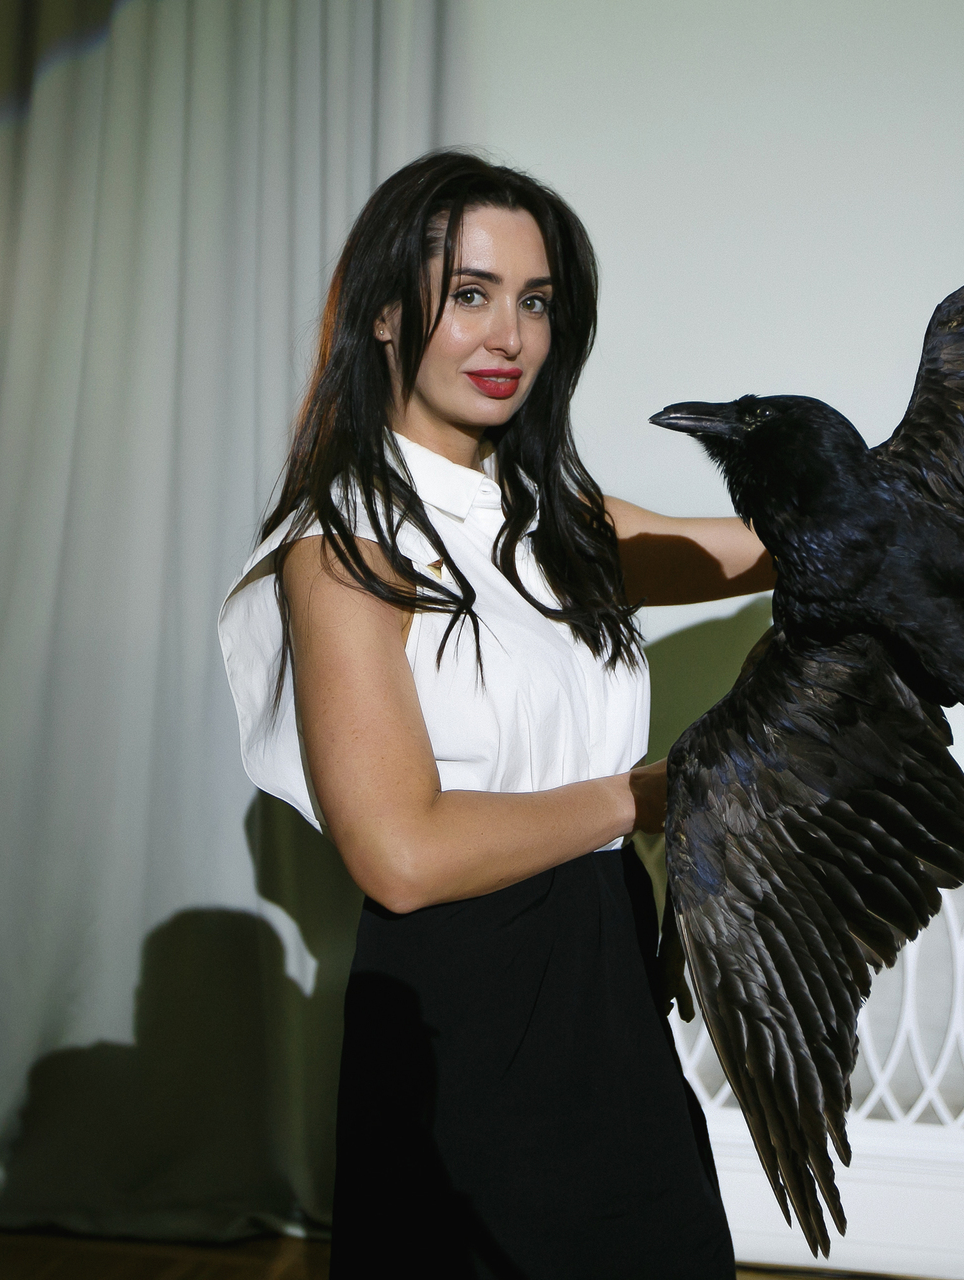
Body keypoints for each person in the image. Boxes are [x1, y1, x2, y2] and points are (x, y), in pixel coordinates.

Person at [217, 150, 769, 1277]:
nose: (509, 336)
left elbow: (763, 552)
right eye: (470, 294)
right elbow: (402, 855)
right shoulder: (346, 547)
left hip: (602, 967)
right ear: (384, 312)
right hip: (461, 1008)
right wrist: (647, 795)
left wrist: (944, 502)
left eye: (536, 301)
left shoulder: (551, 517)